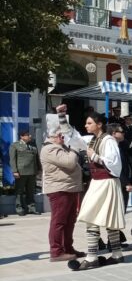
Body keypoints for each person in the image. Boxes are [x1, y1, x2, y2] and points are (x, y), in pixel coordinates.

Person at [69, 112, 126, 270]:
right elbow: (74, 139)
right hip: (97, 182)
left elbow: (114, 163)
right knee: (99, 218)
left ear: (99, 124)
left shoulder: (108, 140)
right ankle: (117, 254)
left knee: (93, 217)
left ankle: (93, 257)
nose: (86, 126)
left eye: (89, 123)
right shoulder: (92, 139)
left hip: (106, 182)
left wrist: (94, 156)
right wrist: (61, 117)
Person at [40, 106, 85, 262]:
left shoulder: (60, 147)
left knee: (69, 220)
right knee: (59, 221)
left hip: (69, 188)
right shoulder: (50, 149)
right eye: (62, 136)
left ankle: (68, 247)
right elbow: (69, 162)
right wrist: (74, 149)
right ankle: (56, 251)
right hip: (59, 189)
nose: (64, 138)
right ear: (56, 135)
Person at [10, 129, 40, 215]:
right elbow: (12, 160)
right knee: (19, 191)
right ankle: (19, 208)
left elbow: (36, 158)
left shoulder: (33, 145)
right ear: (22, 137)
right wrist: (15, 171)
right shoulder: (15, 145)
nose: (29, 136)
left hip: (32, 172)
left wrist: (39, 169)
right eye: (27, 135)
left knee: (31, 191)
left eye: (29, 134)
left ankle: (31, 208)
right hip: (21, 172)